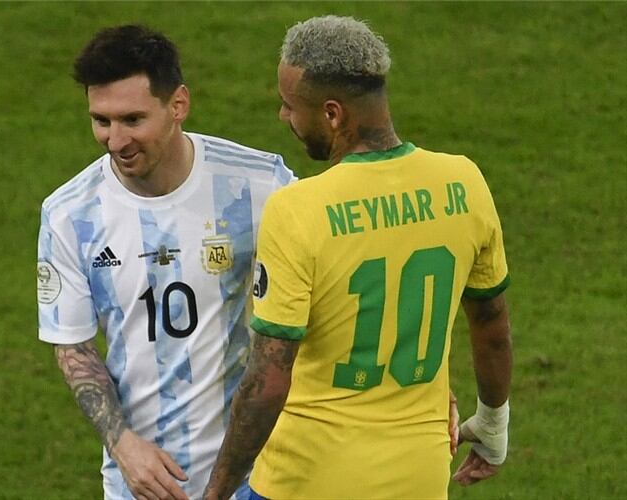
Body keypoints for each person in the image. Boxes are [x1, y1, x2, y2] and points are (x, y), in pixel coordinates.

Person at [204, 15, 513, 500]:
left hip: (306, 482)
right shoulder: (464, 182)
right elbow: (491, 323)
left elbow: (267, 380)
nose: (284, 118)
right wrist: (493, 423)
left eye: (289, 106)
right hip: (419, 479)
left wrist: (216, 492)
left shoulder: (297, 209)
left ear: (332, 114)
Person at [36, 25, 297, 500]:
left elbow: (334, 292)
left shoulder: (261, 185)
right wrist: (122, 444)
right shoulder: (70, 215)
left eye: (133, 120)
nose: (115, 141)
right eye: (101, 121)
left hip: (262, 476)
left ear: (178, 105)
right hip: (143, 483)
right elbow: (73, 347)